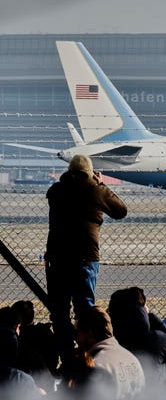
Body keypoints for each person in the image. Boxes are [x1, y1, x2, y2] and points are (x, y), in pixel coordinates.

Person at [45, 154, 127, 373]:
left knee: (59, 312)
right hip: (85, 257)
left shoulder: (56, 191)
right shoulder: (95, 190)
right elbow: (121, 211)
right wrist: (100, 184)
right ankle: (87, 359)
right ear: (89, 173)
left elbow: (60, 190)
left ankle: (66, 358)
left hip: (58, 258)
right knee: (85, 312)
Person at [74, 306, 145, 400]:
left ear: (89, 332)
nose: (75, 339)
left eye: (77, 333)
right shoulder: (132, 358)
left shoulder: (96, 367)